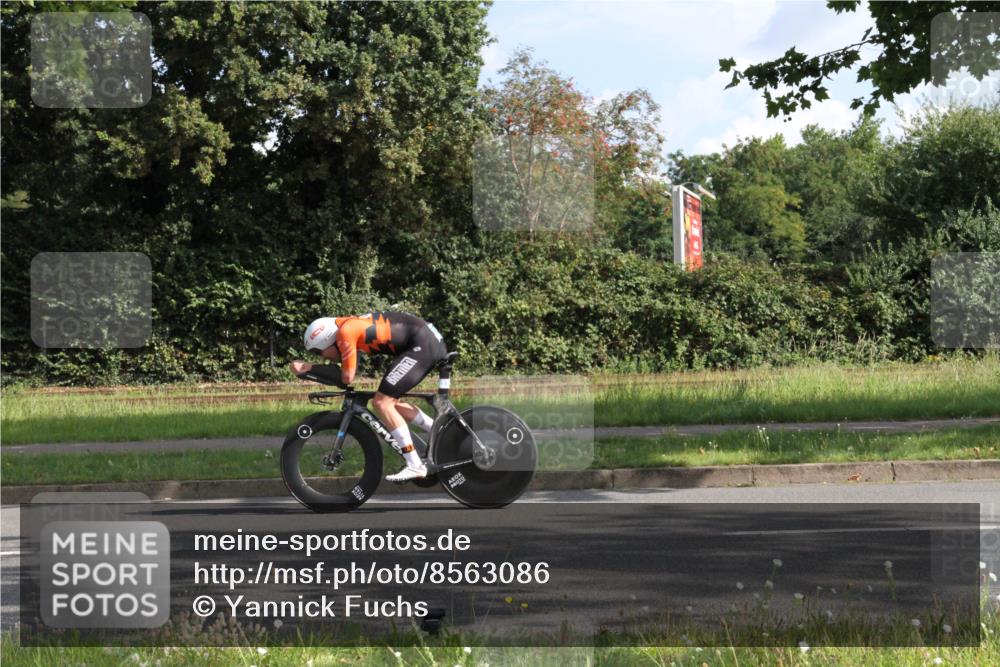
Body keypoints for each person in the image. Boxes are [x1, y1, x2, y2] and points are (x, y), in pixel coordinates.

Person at [289, 311, 448, 482]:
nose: (323, 357)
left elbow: (347, 378)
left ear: (327, 341)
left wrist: (310, 369)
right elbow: (347, 377)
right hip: (424, 340)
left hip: (422, 343)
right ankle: (439, 430)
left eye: (318, 352)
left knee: (382, 403)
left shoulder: (345, 332)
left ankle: (415, 465)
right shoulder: (348, 327)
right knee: (390, 403)